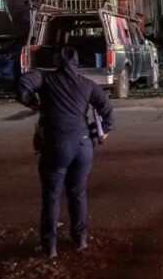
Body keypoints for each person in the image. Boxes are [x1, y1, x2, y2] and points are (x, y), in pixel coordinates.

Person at [17, 46, 114, 259]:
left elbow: (23, 83)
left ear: (56, 62)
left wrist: (32, 103)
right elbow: (107, 109)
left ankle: (49, 246)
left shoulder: (45, 78)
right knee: (77, 192)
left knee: (51, 197)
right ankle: (80, 239)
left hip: (56, 146)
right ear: (76, 63)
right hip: (83, 146)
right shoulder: (87, 84)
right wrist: (103, 130)